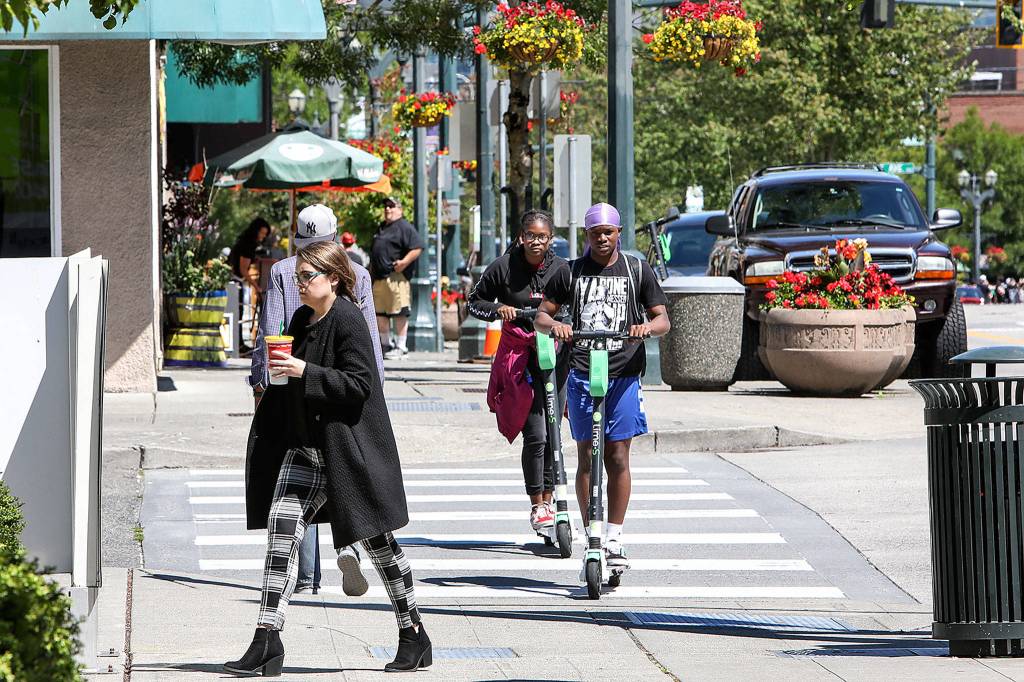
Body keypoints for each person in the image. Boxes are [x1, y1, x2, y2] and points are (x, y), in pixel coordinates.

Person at [227, 241, 431, 676]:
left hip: (347, 453)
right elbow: (294, 381)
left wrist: (306, 373)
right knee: (281, 533)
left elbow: (360, 385)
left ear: (333, 278)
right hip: (305, 450)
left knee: (381, 547)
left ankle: (413, 631)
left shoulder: (349, 319)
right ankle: (267, 639)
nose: (299, 283)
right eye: (298, 276)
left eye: (308, 276)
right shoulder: (302, 319)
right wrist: (277, 379)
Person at [248, 204, 385, 597]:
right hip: (341, 401)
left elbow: (270, 332)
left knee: (297, 491)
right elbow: (370, 345)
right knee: (342, 482)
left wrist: (261, 382)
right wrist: (376, 394)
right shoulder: (357, 272)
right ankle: (350, 549)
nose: (304, 276)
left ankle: (307, 578)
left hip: (298, 394)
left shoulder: (282, 272)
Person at [534, 203, 671, 571]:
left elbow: (662, 321)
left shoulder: (636, 269)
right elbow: (543, 315)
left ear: (618, 232)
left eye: (609, 231)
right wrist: (556, 326)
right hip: (581, 371)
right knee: (587, 455)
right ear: (587, 235)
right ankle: (591, 531)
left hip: (624, 373)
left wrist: (645, 329)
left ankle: (614, 537)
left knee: (617, 457)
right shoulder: (570, 272)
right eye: (596, 233)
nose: (603, 238)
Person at [467, 210, 570, 532]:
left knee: (555, 433)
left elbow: (576, 305)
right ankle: (538, 504)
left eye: (542, 236)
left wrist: (564, 324)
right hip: (518, 356)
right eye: (530, 236)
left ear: (550, 238)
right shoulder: (503, 266)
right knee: (536, 434)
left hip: (554, 354)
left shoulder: (562, 269)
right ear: (520, 236)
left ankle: (553, 500)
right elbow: (474, 301)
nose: (536, 242)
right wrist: (500, 309)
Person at [370, 197, 424, 359]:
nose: (388, 209)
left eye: (391, 206)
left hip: (396, 277)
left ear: (400, 210)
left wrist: (404, 262)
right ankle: (386, 344)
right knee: (380, 314)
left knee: (400, 312)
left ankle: (401, 346)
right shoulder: (382, 227)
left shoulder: (405, 227)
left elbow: (417, 247)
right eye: (386, 206)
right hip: (379, 277)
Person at [229, 217, 272, 286]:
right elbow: (243, 270)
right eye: (262, 233)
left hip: (235, 280)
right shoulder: (248, 245)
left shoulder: (246, 241)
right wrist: (256, 287)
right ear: (255, 231)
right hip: (235, 282)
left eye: (265, 234)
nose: (264, 236)